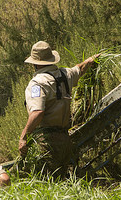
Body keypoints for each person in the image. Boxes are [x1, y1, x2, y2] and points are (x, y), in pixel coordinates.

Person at [18, 40, 100, 176]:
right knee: (62, 180)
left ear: (35, 63)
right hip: (64, 139)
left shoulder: (37, 84)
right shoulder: (65, 74)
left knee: (47, 183)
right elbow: (79, 69)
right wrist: (91, 60)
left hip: (47, 142)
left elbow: (37, 112)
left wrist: (23, 137)